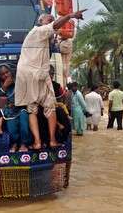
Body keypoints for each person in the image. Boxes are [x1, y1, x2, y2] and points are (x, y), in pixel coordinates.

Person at [15, 10, 85, 149]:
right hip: (33, 74)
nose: (52, 22)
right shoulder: (38, 31)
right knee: (42, 107)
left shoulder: (41, 37)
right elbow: (54, 26)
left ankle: (40, 142)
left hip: (33, 74)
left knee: (40, 108)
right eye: (49, 19)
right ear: (40, 22)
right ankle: (46, 141)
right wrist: (70, 16)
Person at [0, 64, 30, 152]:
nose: (6, 75)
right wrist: (5, 86)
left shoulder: (18, 80)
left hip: (21, 108)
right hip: (9, 111)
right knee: (12, 128)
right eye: (3, 74)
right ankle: (14, 144)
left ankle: (23, 144)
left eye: (7, 72)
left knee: (24, 123)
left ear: (11, 71)